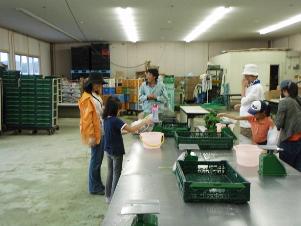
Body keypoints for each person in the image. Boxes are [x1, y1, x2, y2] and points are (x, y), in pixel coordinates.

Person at [103, 96, 152, 203]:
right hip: (116, 151)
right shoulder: (116, 120)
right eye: (119, 109)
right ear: (114, 109)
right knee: (117, 173)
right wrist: (144, 121)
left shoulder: (106, 119)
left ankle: (107, 196)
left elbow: (116, 132)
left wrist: (129, 131)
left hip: (108, 150)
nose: (120, 111)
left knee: (110, 172)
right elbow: (132, 128)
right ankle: (114, 198)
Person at [78, 73, 107, 195]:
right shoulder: (86, 98)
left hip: (100, 130)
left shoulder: (95, 95)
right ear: (92, 84)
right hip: (95, 133)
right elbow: (87, 120)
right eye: (98, 84)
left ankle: (97, 184)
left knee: (98, 160)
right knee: (95, 160)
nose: (100, 86)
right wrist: (90, 136)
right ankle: (94, 187)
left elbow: (99, 111)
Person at [275, 80, 301, 171]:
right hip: (299, 141)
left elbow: (278, 123)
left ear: (285, 91)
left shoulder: (285, 102)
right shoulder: (299, 99)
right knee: (298, 171)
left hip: (289, 142)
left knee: (286, 170)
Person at [234, 64, 264, 139]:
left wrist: (243, 87)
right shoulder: (252, 86)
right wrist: (241, 106)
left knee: (247, 145)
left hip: (250, 124)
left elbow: (244, 101)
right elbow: (248, 101)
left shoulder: (257, 88)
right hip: (246, 122)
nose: (245, 78)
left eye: (246, 76)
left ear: (252, 76)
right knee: (245, 143)